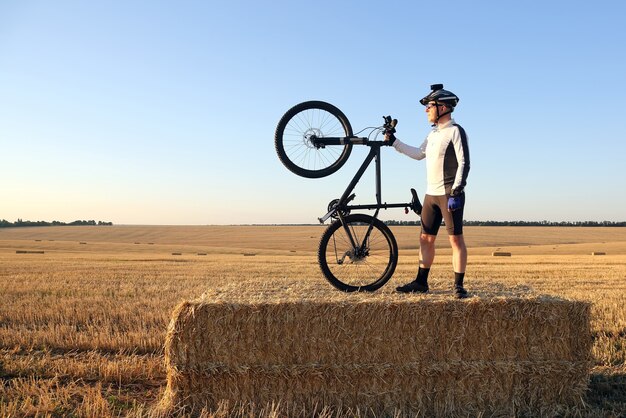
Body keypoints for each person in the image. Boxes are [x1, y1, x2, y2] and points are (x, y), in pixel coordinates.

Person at [385, 84, 470, 298]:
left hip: (450, 194)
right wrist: (395, 142)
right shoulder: (432, 135)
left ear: (442, 107)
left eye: (429, 106)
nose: (426, 110)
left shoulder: (455, 131)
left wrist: (457, 191)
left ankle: (458, 285)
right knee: (425, 238)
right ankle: (421, 282)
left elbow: (464, 162)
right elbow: (418, 153)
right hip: (431, 195)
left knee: (455, 239)